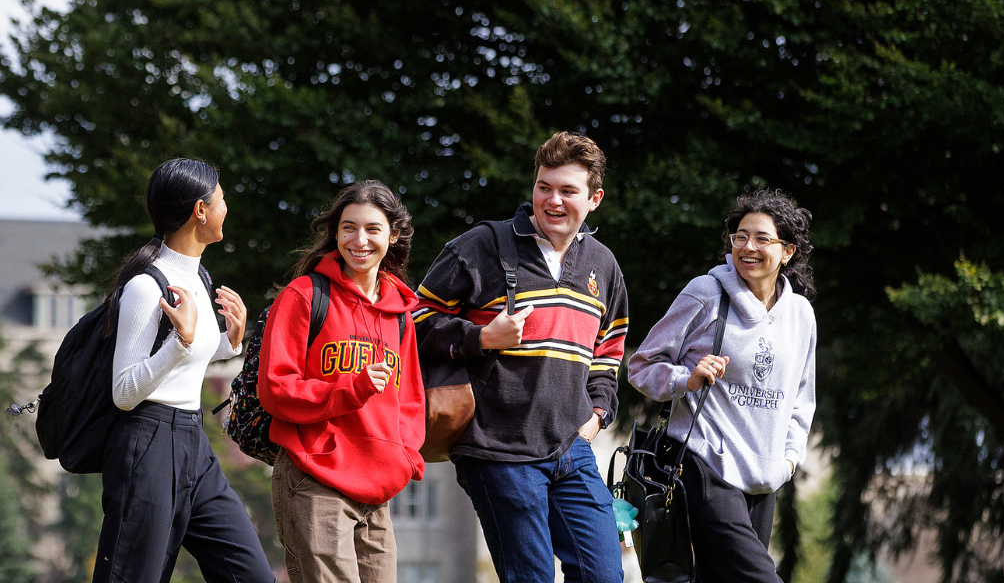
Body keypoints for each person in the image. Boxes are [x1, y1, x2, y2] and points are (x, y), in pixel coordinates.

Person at [412, 132, 628, 583]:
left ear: (595, 199)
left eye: (568, 191)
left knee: (605, 576)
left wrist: (599, 412)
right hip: (497, 448)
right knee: (530, 578)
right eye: (544, 187)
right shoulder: (482, 245)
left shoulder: (603, 265)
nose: (553, 200)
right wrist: (481, 337)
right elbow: (413, 321)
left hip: (573, 447)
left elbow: (608, 349)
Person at [94, 158, 274, 583]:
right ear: (200, 210)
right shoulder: (144, 287)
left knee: (251, 575)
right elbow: (124, 390)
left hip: (192, 442)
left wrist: (230, 342)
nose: (227, 206)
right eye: (222, 198)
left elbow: (186, 363)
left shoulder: (201, 277)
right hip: (147, 444)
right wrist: (182, 342)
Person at [627, 189, 817, 583]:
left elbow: (802, 398)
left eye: (762, 238)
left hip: (765, 477)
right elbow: (641, 366)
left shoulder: (801, 314)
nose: (748, 247)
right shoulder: (706, 293)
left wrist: (788, 461)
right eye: (740, 236)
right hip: (705, 464)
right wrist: (687, 378)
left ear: (788, 252)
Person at [258, 181, 425, 583]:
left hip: (378, 490)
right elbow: (275, 388)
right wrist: (351, 388)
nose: (359, 240)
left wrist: (404, 458)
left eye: (373, 229)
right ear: (335, 233)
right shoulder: (303, 296)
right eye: (349, 228)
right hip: (315, 478)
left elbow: (410, 400)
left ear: (394, 235)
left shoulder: (401, 312)